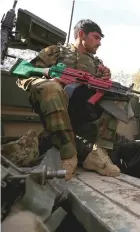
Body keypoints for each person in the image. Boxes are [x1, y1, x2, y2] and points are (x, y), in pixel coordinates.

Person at [14, 19, 121, 180]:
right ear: (81, 34)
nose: (99, 43)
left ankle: (99, 153)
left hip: (84, 110)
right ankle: (68, 155)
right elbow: (23, 75)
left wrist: (104, 81)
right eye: (96, 37)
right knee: (51, 88)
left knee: (119, 93)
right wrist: (49, 81)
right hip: (56, 105)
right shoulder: (55, 52)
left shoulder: (96, 63)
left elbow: (99, 91)